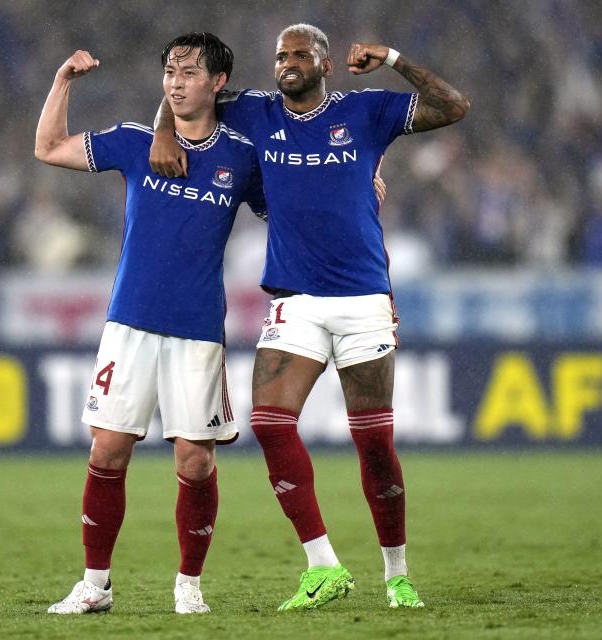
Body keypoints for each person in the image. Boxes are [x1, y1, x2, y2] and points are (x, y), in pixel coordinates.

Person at [150, 23, 469, 610]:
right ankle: (322, 564)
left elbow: (453, 105)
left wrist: (395, 57)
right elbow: (185, 94)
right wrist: (163, 129)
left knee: (374, 445)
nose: (287, 64)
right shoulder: (255, 111)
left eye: (300, 55)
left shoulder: (367, 112)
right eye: (280, 56)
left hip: (363, 300)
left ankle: (396, 573)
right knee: (270, 422)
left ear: (324, 64)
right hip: (295, 298)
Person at [34, 33, 268, 614]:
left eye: (189, 72)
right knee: (108, 451)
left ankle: (189, 586)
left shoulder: (240, 156)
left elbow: (285, 206)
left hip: (197, 331)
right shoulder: (135, 142)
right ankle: (95, 583)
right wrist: (63, 80)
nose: (175, 81)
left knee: (195, 459)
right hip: (130, 323)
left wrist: (361, 181)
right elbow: (48, 147)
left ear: (217, 83)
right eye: (169, 71)